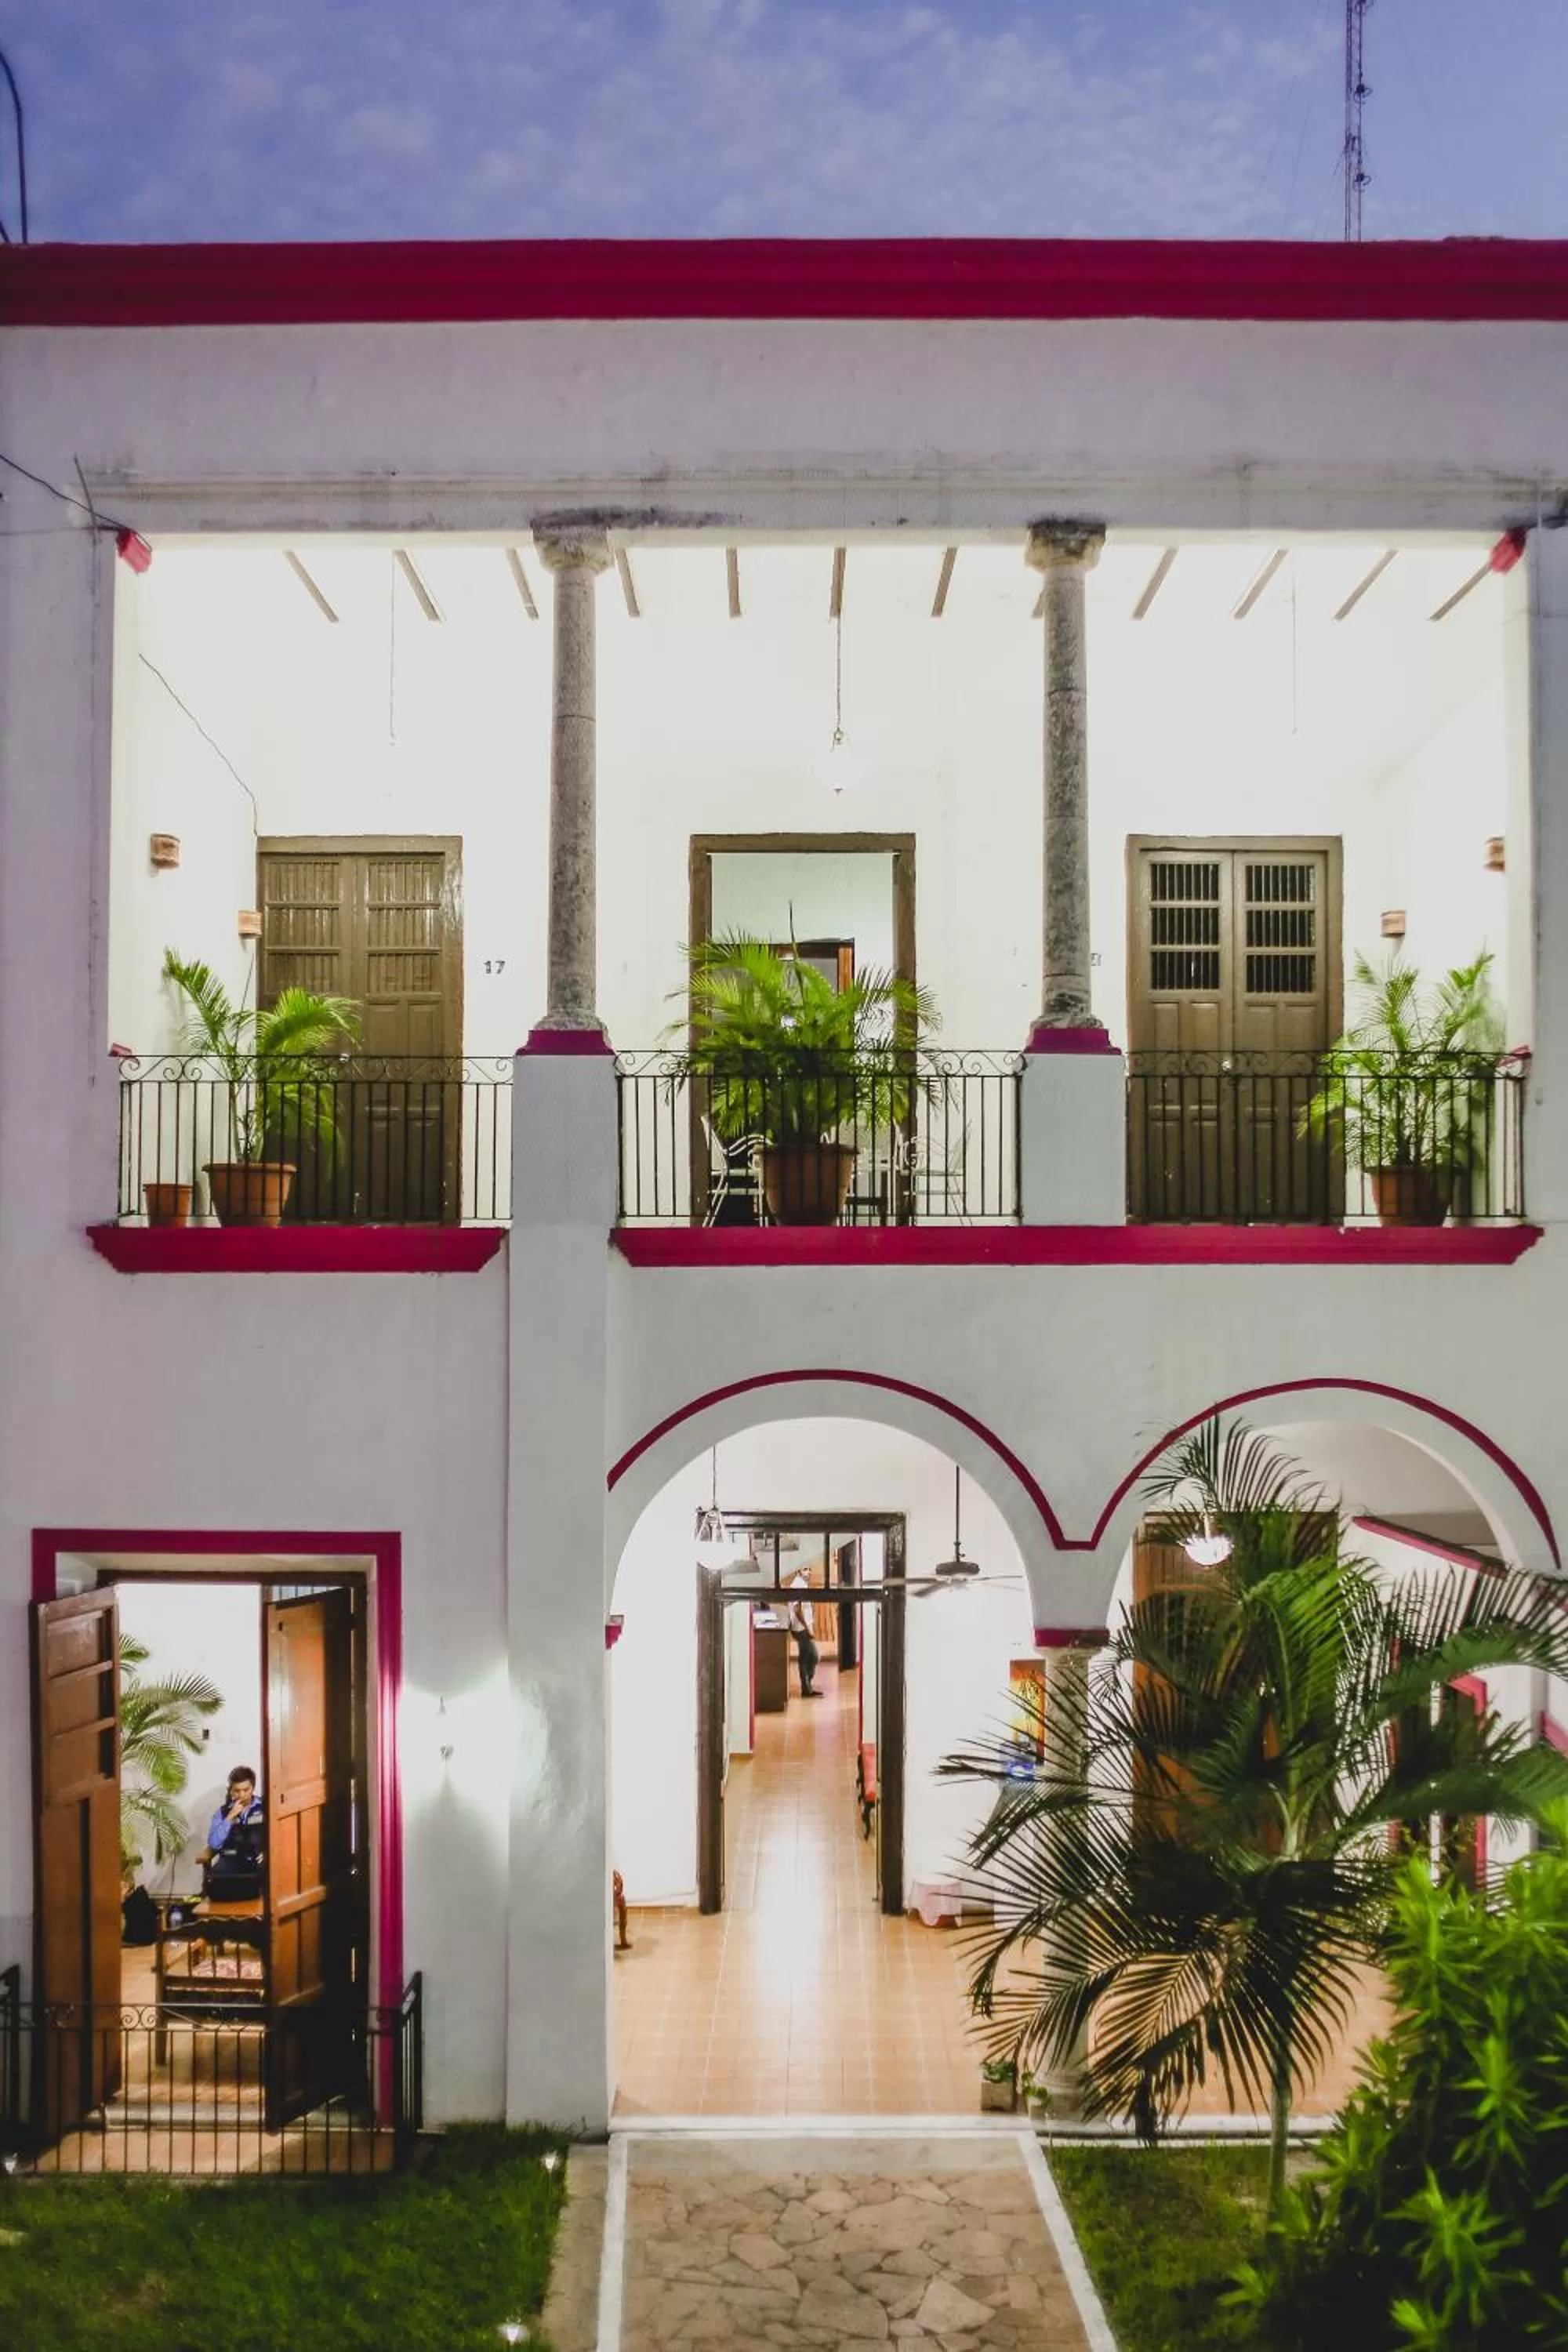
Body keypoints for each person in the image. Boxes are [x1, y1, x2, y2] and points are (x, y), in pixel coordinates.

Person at [205, 1766, 263, 1889]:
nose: (241, 1795)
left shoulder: (265, 1807)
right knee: (216, 1883)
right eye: (237, 1791)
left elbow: (279, 1835)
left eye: (246, 1790)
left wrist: (269, 1852)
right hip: (230, 1861)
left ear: (252, 1788)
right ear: (231, 1790)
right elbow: (214, 1844)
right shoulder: (222, 1812)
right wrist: (230, 1817)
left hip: (257, 1860)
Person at [785, 1572, 821, 1698]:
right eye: (806, 1569)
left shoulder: (802, 1584)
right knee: (813, 1656)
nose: (809, 1572)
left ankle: (807, 1687)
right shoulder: (797, 1584)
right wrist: (807, 1627)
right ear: (799, 1571)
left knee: (806, 1657)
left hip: (803, 1627)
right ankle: (806, 1687)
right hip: (801, 1629)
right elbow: (797, 1609)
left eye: (810, 1569)